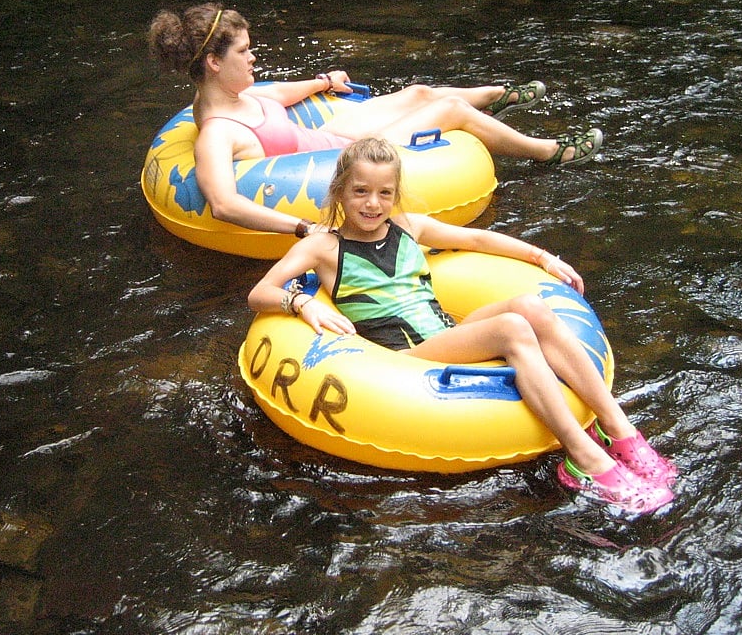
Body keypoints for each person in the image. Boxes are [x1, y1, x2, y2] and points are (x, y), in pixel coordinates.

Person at [248, 138, 677, 514]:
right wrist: (299, 301)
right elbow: (260, 292)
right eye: (360, 191)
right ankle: (583, 456)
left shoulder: (408, 227)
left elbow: (479, 240)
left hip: (447, 332)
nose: (372, 204)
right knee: (511, 328)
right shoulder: (324, 246)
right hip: (406, 357)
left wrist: (544, 258)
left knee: (530, 305)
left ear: (396, 194)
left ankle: (617, 428)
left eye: (384, 192)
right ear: (340, 190)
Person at [148, 3, 604, 239]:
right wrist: (302, 227)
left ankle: (498, 96)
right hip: (340, 158)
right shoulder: (217, 132)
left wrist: (324, 81)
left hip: (325, 134)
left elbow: (281, 94)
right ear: (212, 61)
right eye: (244, 51)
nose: (253, 58)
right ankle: (548, 152)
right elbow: (224, 205)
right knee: (451, 112)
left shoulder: (240, 93)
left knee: (420, 94)